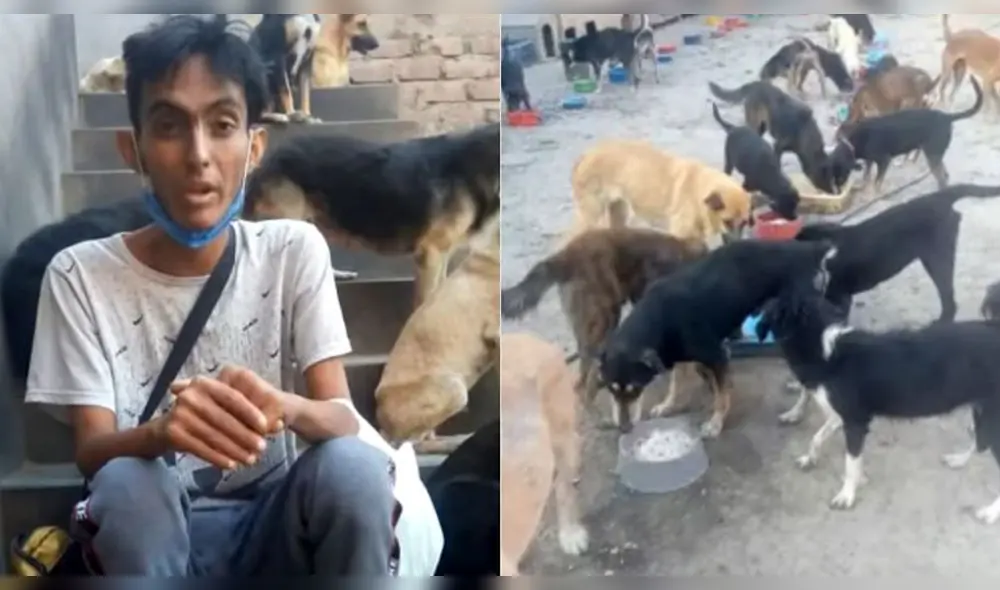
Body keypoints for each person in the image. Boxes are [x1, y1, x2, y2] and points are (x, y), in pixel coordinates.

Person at [25, 15, 402, 576]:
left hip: (280, 525)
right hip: (154, 534)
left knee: (354, 468)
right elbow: (92, 451)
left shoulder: (293, 249)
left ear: (254, 148)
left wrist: (287, 406)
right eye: (170, 126)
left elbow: (342, 419)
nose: (198, 155)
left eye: (222, 125)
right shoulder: (78, 275)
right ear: (134, 150)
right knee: (126, 479)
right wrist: (157, 435)